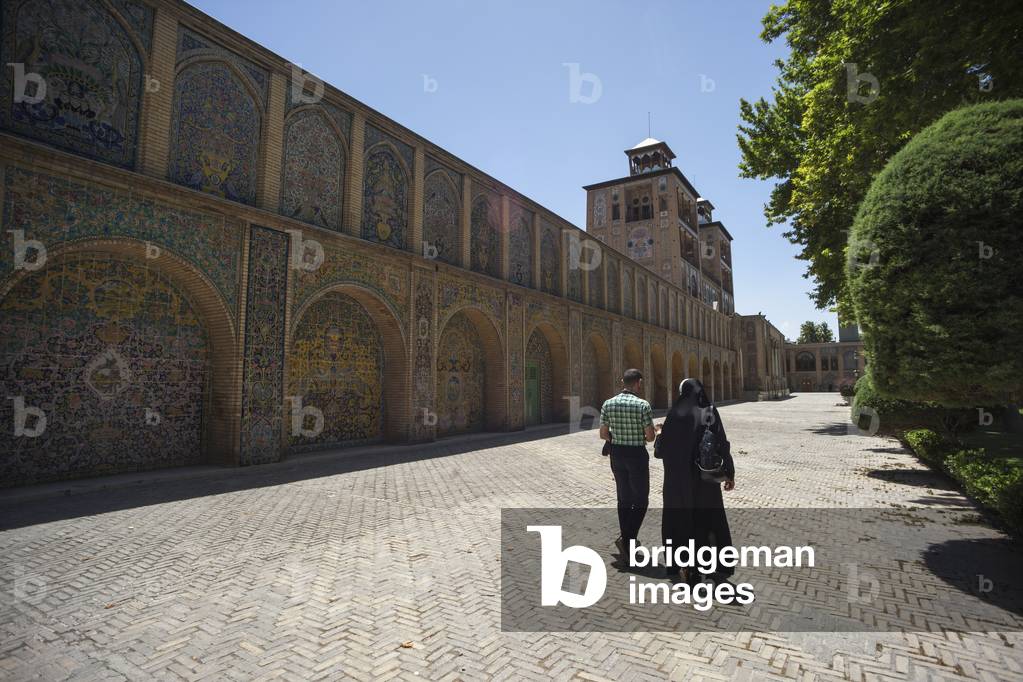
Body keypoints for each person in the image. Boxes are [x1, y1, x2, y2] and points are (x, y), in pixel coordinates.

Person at [656, 378, 735, 582]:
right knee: (708, 520)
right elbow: (722, 442)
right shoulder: (709, 411)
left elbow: (661, 451)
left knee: (680, 521)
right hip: (705, 478)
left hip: (677, 481)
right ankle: (712, 564)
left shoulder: (675, 413)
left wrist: (660, 434)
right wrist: (729, 473)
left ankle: (684, 566)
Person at [599, 369, 656, 555]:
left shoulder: (608, 404)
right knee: (641, 500)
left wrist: (617, 438)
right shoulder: (642, 405)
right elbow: (649, 437)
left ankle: (626, 542)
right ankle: (628, 540)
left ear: (623, 381)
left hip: (617, 455)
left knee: (623, 498)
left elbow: (603, 434)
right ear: (638, 382)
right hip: (636, 456)